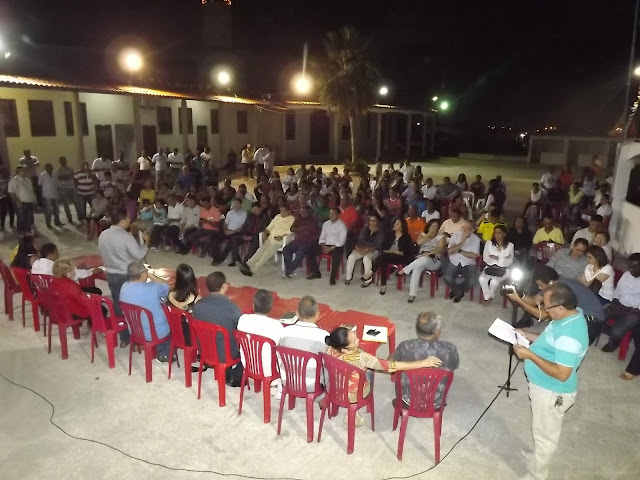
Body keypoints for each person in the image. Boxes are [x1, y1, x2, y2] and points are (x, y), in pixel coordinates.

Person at [513, 283, 588, 480]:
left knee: (545, 437)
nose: (544, 310)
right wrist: (527, 335)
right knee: (541, 429)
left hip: (552, 391)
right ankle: (536, 458)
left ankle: (537, 474)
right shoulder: (571, 316)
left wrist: (529, 355)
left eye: (547, 307)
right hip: (543, 385)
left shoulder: (569, 336)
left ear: (561, 307)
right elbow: (550, 341)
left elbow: (562, 374)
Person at [325, 327, 442, 425]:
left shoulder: (329, 349)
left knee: (359, 370)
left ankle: (344, 409)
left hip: (334, 388)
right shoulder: (362, 357)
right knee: (370, 372)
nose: (358, 340)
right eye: (354, 340)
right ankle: (354, 412)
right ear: (345, 349)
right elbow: (391, 366)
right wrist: (424, 363)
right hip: (354, 394)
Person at [98, 207, 150, 347]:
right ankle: (138, 338)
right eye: (128, 218)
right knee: (133, 307)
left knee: (118, 305)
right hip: (126, 275)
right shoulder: (125, 236)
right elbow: (138, 255)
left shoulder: (103, 234)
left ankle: (124, 337)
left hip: (111, 274)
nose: (129, 220)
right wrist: (146, 242)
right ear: (122, 221)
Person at [508, 266, 605, 340]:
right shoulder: (555, 283)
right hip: (585, 313)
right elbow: (534, 301)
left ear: (550, 282)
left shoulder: (558, 291)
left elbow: (542, 315)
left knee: (558, 342)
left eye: (540, 285)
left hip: (592, 321)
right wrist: (520, 294)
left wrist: (518, 301)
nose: (539, 288)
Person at [391, 312, 459, 408]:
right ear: (436, 332)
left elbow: (389, 365)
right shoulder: (451, 349)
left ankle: (400, 402)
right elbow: (453, 367)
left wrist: (394, 354)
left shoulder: (405, 346)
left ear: (417, 329)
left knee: (399, 372)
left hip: (408, 402)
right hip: (437, 403)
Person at [191, 271, 244, 386]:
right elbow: (241, 327)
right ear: (224, 286)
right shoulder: (232, 307)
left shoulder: (198, 305)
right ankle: (236, 377)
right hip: (225, 353)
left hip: (205, 350)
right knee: (248, 349)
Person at [119, 261, 172, 361]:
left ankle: (145, 345)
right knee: (175, 324)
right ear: (143, 273)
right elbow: (167, 287)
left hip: (135, 331)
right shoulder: (153, 287)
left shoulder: (124, 287)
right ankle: (164, 352)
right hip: (155, 333)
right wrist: (152, 275)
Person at [237, 289, 284, 395]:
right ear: (270, 307)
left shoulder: (243, 319)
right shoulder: (276, 325)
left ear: (253, 305)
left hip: (248, 364)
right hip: (270, 369)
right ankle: (276, 384)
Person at [278, 296, 329, 391]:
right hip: (311, 385)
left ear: (297, 314)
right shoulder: (324, 336)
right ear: (317, 314)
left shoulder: (285, 331)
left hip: (287, 380)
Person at [396, 219, 446, 303]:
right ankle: (412, 294)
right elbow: (418, 242)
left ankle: (405, 270)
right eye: (432, 226)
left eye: (436, 227)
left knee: (424, 259)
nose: (434, 228)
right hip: (420, 259)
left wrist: (429, 253)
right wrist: (429, 235)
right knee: (417, 268)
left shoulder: (441, 237)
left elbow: (441, 248)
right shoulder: (422, 234)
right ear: (428, 226)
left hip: (434, 260)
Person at [599, 253, 640, 353]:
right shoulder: (626, 275)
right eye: (629, 266)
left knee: (617, 331)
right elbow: (618, 290)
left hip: (635, 312)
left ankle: (613, 344)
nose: (630, 269)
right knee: (597, 314)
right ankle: (610, 330)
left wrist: (634, 310)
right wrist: (615, 302)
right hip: (620, 305)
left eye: (634, 267)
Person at [240, 204, 294, 276]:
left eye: (284, 211)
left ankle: (253, 270)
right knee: (261, 250)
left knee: (266, 254)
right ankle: (248, 264)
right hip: (271, 238)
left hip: (280, 240)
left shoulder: (292, 219)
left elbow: (291, 232)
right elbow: (269, 227)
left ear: (289, 211)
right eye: (281, 211)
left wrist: (281, 237)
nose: (282, 213)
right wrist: (265, 233)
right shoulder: (277, 217)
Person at [368, 218, 414, 295]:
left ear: (402, 226)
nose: (395, 225)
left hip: (401, 257)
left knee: (383, 258)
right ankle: (383, 285)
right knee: (383, 260)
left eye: (397, 224)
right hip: (388, 255)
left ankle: (372, 272)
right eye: (395, 223)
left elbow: (408, 253)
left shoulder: (407, 237)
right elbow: (383, 246)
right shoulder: (390, 234)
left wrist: (395, 252)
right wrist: (388, 251)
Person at [306, 207, 347, 285]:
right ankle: (316, 272)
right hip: (325, 245)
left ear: (338, 215)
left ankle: (333, 277)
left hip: (336, 246)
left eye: (333, 214)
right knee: (310, 250)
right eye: (330, 214)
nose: (331, 215)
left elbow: (342, 241)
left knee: (336, 255)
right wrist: (323, 246)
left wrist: (331, 248)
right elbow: (322, 237)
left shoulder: (342, 225)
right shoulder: (326, 224)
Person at [443, 220, 480, 302]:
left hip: (469, 263)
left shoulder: (476, 239)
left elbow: (474, 255)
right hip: (454, 260)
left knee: (472, 282)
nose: (464, 230)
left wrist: (458, 250)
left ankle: (457, 290)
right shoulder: (456, 235)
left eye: (467, 229)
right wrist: (462, 243)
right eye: (463, 227)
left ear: (472, 230)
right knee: (447, 278)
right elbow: (450, 251)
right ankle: (458, 292)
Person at [345, 214, 385, 285]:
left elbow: (378, 244)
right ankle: (348, 278)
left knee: (366, 258)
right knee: (351, 257)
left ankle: (368, 280)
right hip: (362, 248)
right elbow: (360, 240)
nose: (372, 222)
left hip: (374, 250)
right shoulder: (364, 229)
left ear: (377, 221)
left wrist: (368, 248)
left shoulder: (380, 231)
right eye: (371, 220)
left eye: (374, 220)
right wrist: (363, 248)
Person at [478, 225, 514, 304]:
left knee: (494, 282)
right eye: (495, 233)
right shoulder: (489, 243)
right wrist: (503, 258)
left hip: (504, 270)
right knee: (482, 279)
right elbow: (485, 258)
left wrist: (496, 258)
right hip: (490, 267)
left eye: (499, 233)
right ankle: (488, 297)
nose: (496, 235)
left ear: (504, 234)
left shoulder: (510, 246)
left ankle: (490, 297)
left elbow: (509, 261)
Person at [282, 206, 321, 278]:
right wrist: (301, 229)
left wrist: (300, 230)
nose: (302, 214)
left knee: (300, 253)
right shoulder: (298, 218)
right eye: (301, 212)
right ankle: (289, 270)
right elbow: (292, 228)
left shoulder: (312, 221)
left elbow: (314, 234)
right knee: (286, 249)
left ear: (309, 213)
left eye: (304, 212)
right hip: (297, 241)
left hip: (308, 242)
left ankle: (288, 271)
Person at [229, 202, 268, 266]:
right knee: (234, 238)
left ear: (260, 209)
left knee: (256, 241)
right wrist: (243, 235)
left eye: (256, 209)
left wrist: (252, 237)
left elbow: (263, 230)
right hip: (247, 235)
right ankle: (236, 260)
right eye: (253, 209)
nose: (254, 211)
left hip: (257, 236)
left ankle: (246, 263)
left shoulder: (264, 217)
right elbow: (244, 227)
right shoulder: (250, 216)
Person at [212, 198, 248, 265]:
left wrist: (233, 232)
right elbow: (225, 224)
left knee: (230, 243)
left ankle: (220, 259)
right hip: (227, 231)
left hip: (237, 232)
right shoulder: (230, 212)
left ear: (241, 204)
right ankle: (216, 258)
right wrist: (225, 230)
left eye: (237, 203)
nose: (235, 205)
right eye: (234, 204)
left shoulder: (244, 213)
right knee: (215, 240)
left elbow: (242, 227)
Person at [8, 166, 36, 234]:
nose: (26, 171)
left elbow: (31, 190)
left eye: (25, 170)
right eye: (24, 170)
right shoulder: (14, 180)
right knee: (21, 219)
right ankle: (22, 233)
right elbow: (11, 192)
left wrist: (34, 198)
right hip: (21, 203)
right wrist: (17, 201)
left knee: (29, 218)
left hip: (29, 202)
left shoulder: (28, 179)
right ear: (18, 172)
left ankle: (28, 232)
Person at [39, 163, 62, 228]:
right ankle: (48, 223)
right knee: (48, 210)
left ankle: (57, 221)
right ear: (46, 168)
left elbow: (58, 183)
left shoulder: (55, 174)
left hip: (55, 194)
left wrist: (59, 192)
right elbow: (40, 185)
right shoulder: (42, 175)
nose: (50, 168)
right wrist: (42, 194)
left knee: (56, 209)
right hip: (47, 195)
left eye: (51, 167)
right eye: (49, 167)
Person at [0, 166, 15, 230]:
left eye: (5, 170)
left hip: (10, 196)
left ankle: (11, 223)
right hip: (2, 196)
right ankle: (2, 225)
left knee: (12, 210)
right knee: (3, 211)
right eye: (2, 171)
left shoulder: (11, 178)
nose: (4, 172)